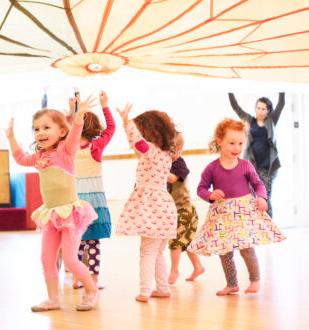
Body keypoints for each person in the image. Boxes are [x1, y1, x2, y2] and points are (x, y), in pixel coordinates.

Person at [5, 95, 100, 312]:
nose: (40, 133)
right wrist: (11, 137)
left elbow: (75, 133)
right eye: (36, 129)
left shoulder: (65, 152)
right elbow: (20, 158)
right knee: (46, 258)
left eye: (46, 127)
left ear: (61, 131)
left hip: (71, 214)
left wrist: (78, 116)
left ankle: (91, 290)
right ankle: (53, 299)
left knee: (69, 258)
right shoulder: (39, 157)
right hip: (51, 215)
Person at [188, 118, 286, 296]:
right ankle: (232, 284)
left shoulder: (245, 165)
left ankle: (255, 279)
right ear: (219, 141)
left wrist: (262, 197)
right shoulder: (211, 168)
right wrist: (210, 195)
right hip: (223, 214)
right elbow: (201, 189)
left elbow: (258, 184)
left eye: (240, 143)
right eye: (231, 143)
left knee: (246, 248)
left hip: (244, 212)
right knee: (225, 252)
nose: (237, 148)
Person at [115, 105, 178, 302]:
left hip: (154, 206)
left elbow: (139, 144)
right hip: (164, 206)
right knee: (157, 251)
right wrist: (129, 129)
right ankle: (162, 287)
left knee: (148, 251)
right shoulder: (164, 155)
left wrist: (127, 124)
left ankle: (144, 290)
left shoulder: (151, 151)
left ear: (149, 132)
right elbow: (137, 146)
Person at [69, 90, 115, 290]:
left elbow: (64, 130)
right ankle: (93, 279)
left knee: (76, 241)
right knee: (94, 243)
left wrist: (72, 112)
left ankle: (77, 278)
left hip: (75, 199)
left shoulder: (67, 147)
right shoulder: (95, 147)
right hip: (95, 201)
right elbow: (111, 128)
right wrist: (105, 105)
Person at [228, 92, 285, 217]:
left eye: (263, 109)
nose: (259, 111)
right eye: (258, 108)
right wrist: (230, 89)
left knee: (265, 198)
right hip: (252, 168)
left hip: (267, 168)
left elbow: (281, 104)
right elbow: (235, 106)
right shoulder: (249, 120)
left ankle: (269, 229)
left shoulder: (271, 121)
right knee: (251, 198)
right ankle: (254, 227)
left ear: (268, 111)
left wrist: (282, 87)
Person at [167, 132, 204, 285]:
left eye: (169, 150)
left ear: (179, 148)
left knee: (175, 241)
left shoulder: (179, 165)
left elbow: (171, 178)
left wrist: (155, 169)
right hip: (175, 209)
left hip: (185, 210)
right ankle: (198, 266)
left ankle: (174, 270)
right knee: (186, 241)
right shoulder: (168, 163)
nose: (165, 153)